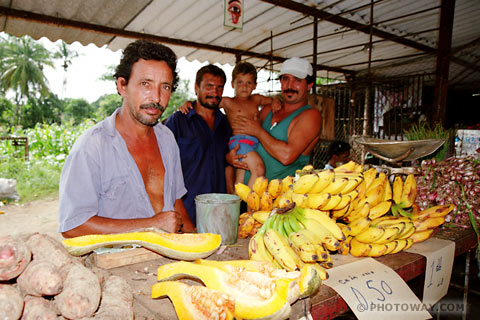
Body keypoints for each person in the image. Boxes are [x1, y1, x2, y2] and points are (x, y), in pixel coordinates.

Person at [58, 40, 195, 238]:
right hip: (115, 264)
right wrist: (149, 225)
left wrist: (198, 239)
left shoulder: (167, 139)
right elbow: (72, 226)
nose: (156, 98)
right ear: (122, 86)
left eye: (165, 87)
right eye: (145, 84)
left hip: (166, 261)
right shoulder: (92, 146)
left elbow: (175, 205)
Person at [178, 61, 282, 189]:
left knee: (239, 182)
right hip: (240, 143)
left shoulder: (257, 99)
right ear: (233, 84)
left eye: (248, 83)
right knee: (259, 168)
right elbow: (207, 100)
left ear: (255, 85)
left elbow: (272, 100)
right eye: (240, 82)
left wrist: (276, 101)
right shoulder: (228, 102)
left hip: (254, 143)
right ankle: (252, 206)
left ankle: (236, 203)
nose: (244, 87)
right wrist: (189, 103)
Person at [229, 57, 322, 181]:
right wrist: (229, 157)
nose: (290, 86)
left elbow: (286, 156)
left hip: (277, 197)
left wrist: (257, 131)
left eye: (297, 80)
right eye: (285, 79)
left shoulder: (310, 116)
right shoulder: (268, 110)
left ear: (309, 85)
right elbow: (243, 136)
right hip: (243, 194)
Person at [165, 65, 235, 225]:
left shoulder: (224, 123)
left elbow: (227, 165)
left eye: (219, 87)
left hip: (219, 212)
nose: (215, 93)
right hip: (185, 213)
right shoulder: (178, 121)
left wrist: (232, 198)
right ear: (196, 87)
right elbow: (162, 170)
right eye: (209, 86)